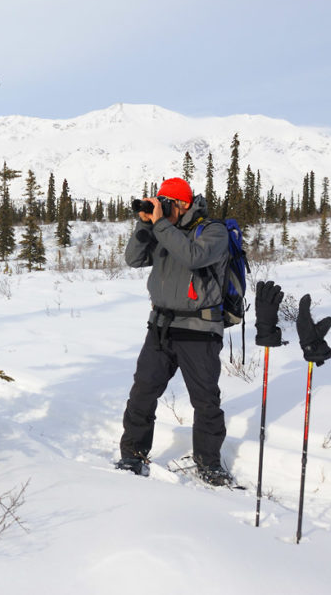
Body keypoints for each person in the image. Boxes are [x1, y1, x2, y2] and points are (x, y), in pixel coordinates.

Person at [116, 177, 234, 485]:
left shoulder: (212, 231)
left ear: (182, 204)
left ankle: (209, 465)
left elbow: (194, 257)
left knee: (205, 401)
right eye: (158, 202)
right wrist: (145, 224)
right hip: (161, 326)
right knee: (142, 392)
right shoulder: (160, 230)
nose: (161, 208)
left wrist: (162, 226)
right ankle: (132, 455)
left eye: (166, 203)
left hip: (199, 328)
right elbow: (133, 259)